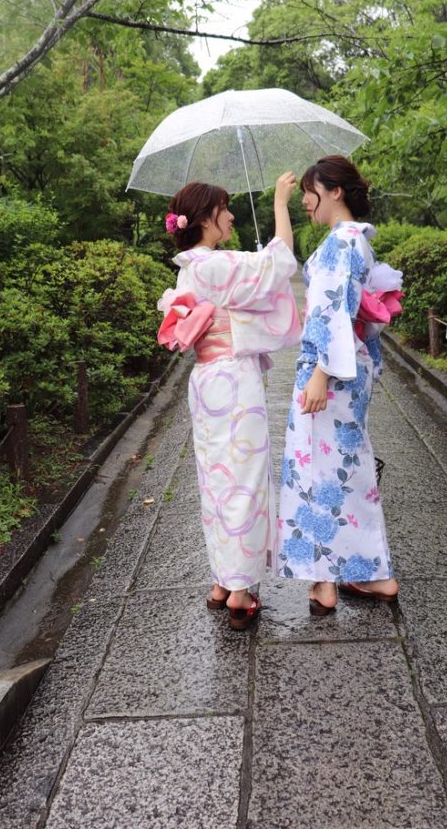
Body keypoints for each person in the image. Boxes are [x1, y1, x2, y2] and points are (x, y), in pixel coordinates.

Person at [157, 174, 301, 629]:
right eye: (225, 208)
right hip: (234, 381)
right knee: (243, 479)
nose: (232, 215)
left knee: (216, 480)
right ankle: (240, 591)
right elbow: (278, 263)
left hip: (205, 380)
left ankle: (222, 580)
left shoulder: (190, 267)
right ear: (205, 218)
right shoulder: (213, 265)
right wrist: (280, 201)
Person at [276, 155, 401, 614]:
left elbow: (332, 311)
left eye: (310, 191)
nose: (306, 201)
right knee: (347, 469)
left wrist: (320, 374)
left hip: (328, 370)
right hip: (351, 367)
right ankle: (371, 574)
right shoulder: (358, 241)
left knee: (317, 473)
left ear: (334, 191)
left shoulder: (338, 243)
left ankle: (326, 583)